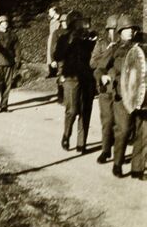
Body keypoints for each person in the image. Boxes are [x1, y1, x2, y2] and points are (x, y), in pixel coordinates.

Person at [94, 14, 138, 178]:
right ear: (120, 32)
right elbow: (98, 69)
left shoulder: (139, 48)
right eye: (126, 29)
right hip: (119, 94)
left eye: (132, 29)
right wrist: (103, 77)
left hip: (136, 94)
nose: (130, 32)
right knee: (122, 128)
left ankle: (128, 163)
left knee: (131, 130)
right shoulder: (113, 49)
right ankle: (117, 163)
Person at [53, 11, 95, 152]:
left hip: (86, 78)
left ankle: (81, 143)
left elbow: (93, 54)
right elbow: (57, 55)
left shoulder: (87, 38)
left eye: (83, 23)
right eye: (78, 23)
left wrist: (91, 40)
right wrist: (69, 42)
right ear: (72, 24)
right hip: (71, 77)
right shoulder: (64, 38)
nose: (81, 26)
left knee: (86, 110)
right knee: (72, 110)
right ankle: (66, 135)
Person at [91, 14, 119, 164]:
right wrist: (106, 53)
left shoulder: (123, 45)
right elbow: (92, 63)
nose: (114, 32)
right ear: (108, 30)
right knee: (107, 121)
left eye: (116, 29)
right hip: (105, 88)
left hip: (120, 88)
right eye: (112, 29)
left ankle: (118, 154)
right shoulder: (101, 44)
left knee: (120, 123)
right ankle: (106, 150)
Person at [0, 15, 19, 113]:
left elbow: (17, 48)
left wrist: (18, 59)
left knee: (7, 85)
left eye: (6, 22)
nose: (5, 24)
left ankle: (4, 105)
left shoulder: (13, 35)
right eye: (3, 22)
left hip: (9, 62)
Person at [51, 13, 69, 103]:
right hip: (60, 58)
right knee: (61, 76)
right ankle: (61, 96)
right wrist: (53, 59)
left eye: (66, 21)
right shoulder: (57, 32)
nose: (65, 23)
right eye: (63, 21)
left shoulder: (72, 31)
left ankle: (68, 97)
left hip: (70, 58)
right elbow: (53, 46)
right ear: (60, 22)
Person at [46, 7, 62, 76]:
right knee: (50, 54)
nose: (49, 14)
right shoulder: (52, 21)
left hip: (56, 38)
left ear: (54, 12)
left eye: (50, 12)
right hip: (51, 39)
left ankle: (57, 70)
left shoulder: (59, 21)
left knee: (56, 53)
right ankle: (51, 71)